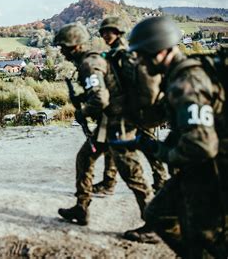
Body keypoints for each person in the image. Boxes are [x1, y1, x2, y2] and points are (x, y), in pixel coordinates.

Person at [129, 16, 227, 258]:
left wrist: (161, 152)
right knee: (159, 215)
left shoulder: (186, 82)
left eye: (142, 54)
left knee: (210, 238)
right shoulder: (180, 75)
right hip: (201, 168)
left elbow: (201, 144)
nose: (140, 61)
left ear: (159, 50)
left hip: (214, 170)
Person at [54, 22, 157, 243]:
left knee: (132, 172)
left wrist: (83, 112)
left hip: (118, 124)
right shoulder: (91, 61)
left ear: (73, 46)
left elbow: (101, 98)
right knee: (85, 158)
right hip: (108, 123)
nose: (61, 51)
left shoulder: (90, 64)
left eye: (63, 46)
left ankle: (154, 225)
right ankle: (81, 208)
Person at [96, 17, 168, 195]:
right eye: (103, 32)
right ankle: (109, 182)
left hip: (135, 109)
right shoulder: (115, 53)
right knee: (113, 143)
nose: (105, 35)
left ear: (118, 32)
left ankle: (161, 181)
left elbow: (135, 83)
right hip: (127, 108)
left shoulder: (124, 54)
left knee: (148, 146)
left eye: (109, 31)